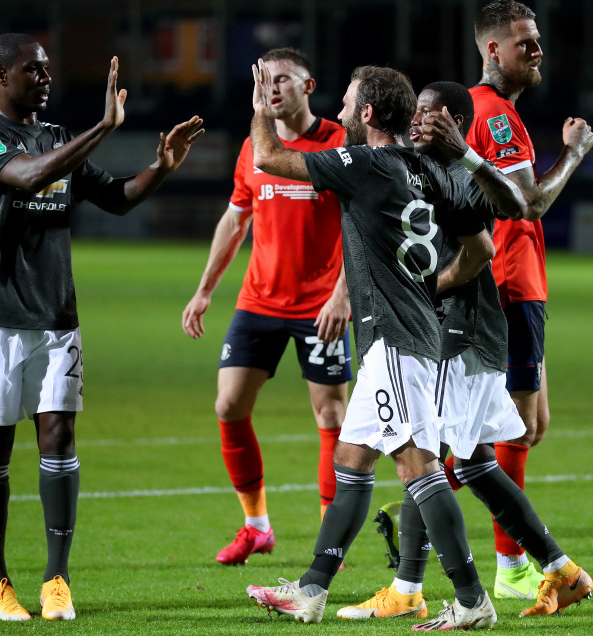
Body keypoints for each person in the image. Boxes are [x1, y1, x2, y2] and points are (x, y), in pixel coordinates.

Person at [243, 62, 529, 631]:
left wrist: (260, 106)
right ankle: (310, 590)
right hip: (401, 336)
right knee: (351, 460)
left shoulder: (367, 162)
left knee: (417, 468)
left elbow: (268, 158)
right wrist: (434, 285)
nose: (342, 112)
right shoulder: (433, 169)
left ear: (369, 114)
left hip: (396, 339)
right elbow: (482, 243)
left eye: (348, 103)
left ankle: (472, 600)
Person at [0, 33, 204, 622]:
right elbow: (24, 177)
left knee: (60, 439)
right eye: (31, 69)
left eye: (47, 69)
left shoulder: (58, 138)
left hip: (56, 317)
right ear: (0, 75)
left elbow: (115, 198)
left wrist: (160, 168)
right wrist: (105, 128)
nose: (45, 77)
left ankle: (56, 579)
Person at [337, 81, 593, 622]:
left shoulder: (463, 174)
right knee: (473, 462)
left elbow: (513, 215)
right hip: (460, 332)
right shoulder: (422, 170)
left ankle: (410, 588)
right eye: (415, 114)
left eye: (428, 114)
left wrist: (431, 291)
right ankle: (563, 570)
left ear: (453, 119)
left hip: (462, 332)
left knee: (424, 455)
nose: (416, 122)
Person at [181, 48, 351, 565]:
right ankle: (257, 526)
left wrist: (343, 293)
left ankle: (330, 538)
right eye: (263, 81)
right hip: (259, 300)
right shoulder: (255, 146)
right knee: (228, 405)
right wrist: (205, 288)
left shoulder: (340, 145)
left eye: (281, 79)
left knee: (330, 415)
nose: (271, 89)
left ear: (309, 84)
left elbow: (363, 228)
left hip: (320, 304)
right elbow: (235, 221)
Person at [464, 0, 593, 598]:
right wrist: (573, 153)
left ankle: (504, 560)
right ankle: (508, 566)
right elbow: (530, 204)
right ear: (493, 49)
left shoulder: (493, 112)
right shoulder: (494, 118)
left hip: (523, 286)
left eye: (538, 38)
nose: (537, 49)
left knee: (529, 425)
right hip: (510, 285)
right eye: (525, 42)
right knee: (503, 429)